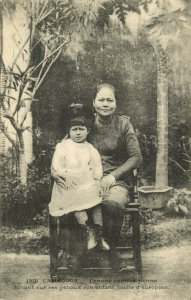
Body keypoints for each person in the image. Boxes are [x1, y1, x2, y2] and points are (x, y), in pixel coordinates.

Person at [88, 83, 142, 267]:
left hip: (116, 182)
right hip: (88, 180)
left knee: (111, 203)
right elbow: (66, 147)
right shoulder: (84, 124)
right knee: (73, 201)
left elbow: (136, 157)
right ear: (93, 103)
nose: (105, 104)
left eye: (109, 100)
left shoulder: (124, 124)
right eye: (101, 100)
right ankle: (83, 252)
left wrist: (113, 176)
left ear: (116, 103)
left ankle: (109, 251)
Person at [49, 103, 110, 253]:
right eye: (74, 129)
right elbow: (56, 165)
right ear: (69, 131)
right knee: (74, 198)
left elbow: (97, 167)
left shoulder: (90, 149)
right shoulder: (63, 146)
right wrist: (63, 175)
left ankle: (99, 234)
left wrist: (97, 181)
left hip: (86, 183)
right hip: (69, 183)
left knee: (95, 200)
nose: (77, 133)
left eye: (81, 129)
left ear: (88, 131)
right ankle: (88, 230)